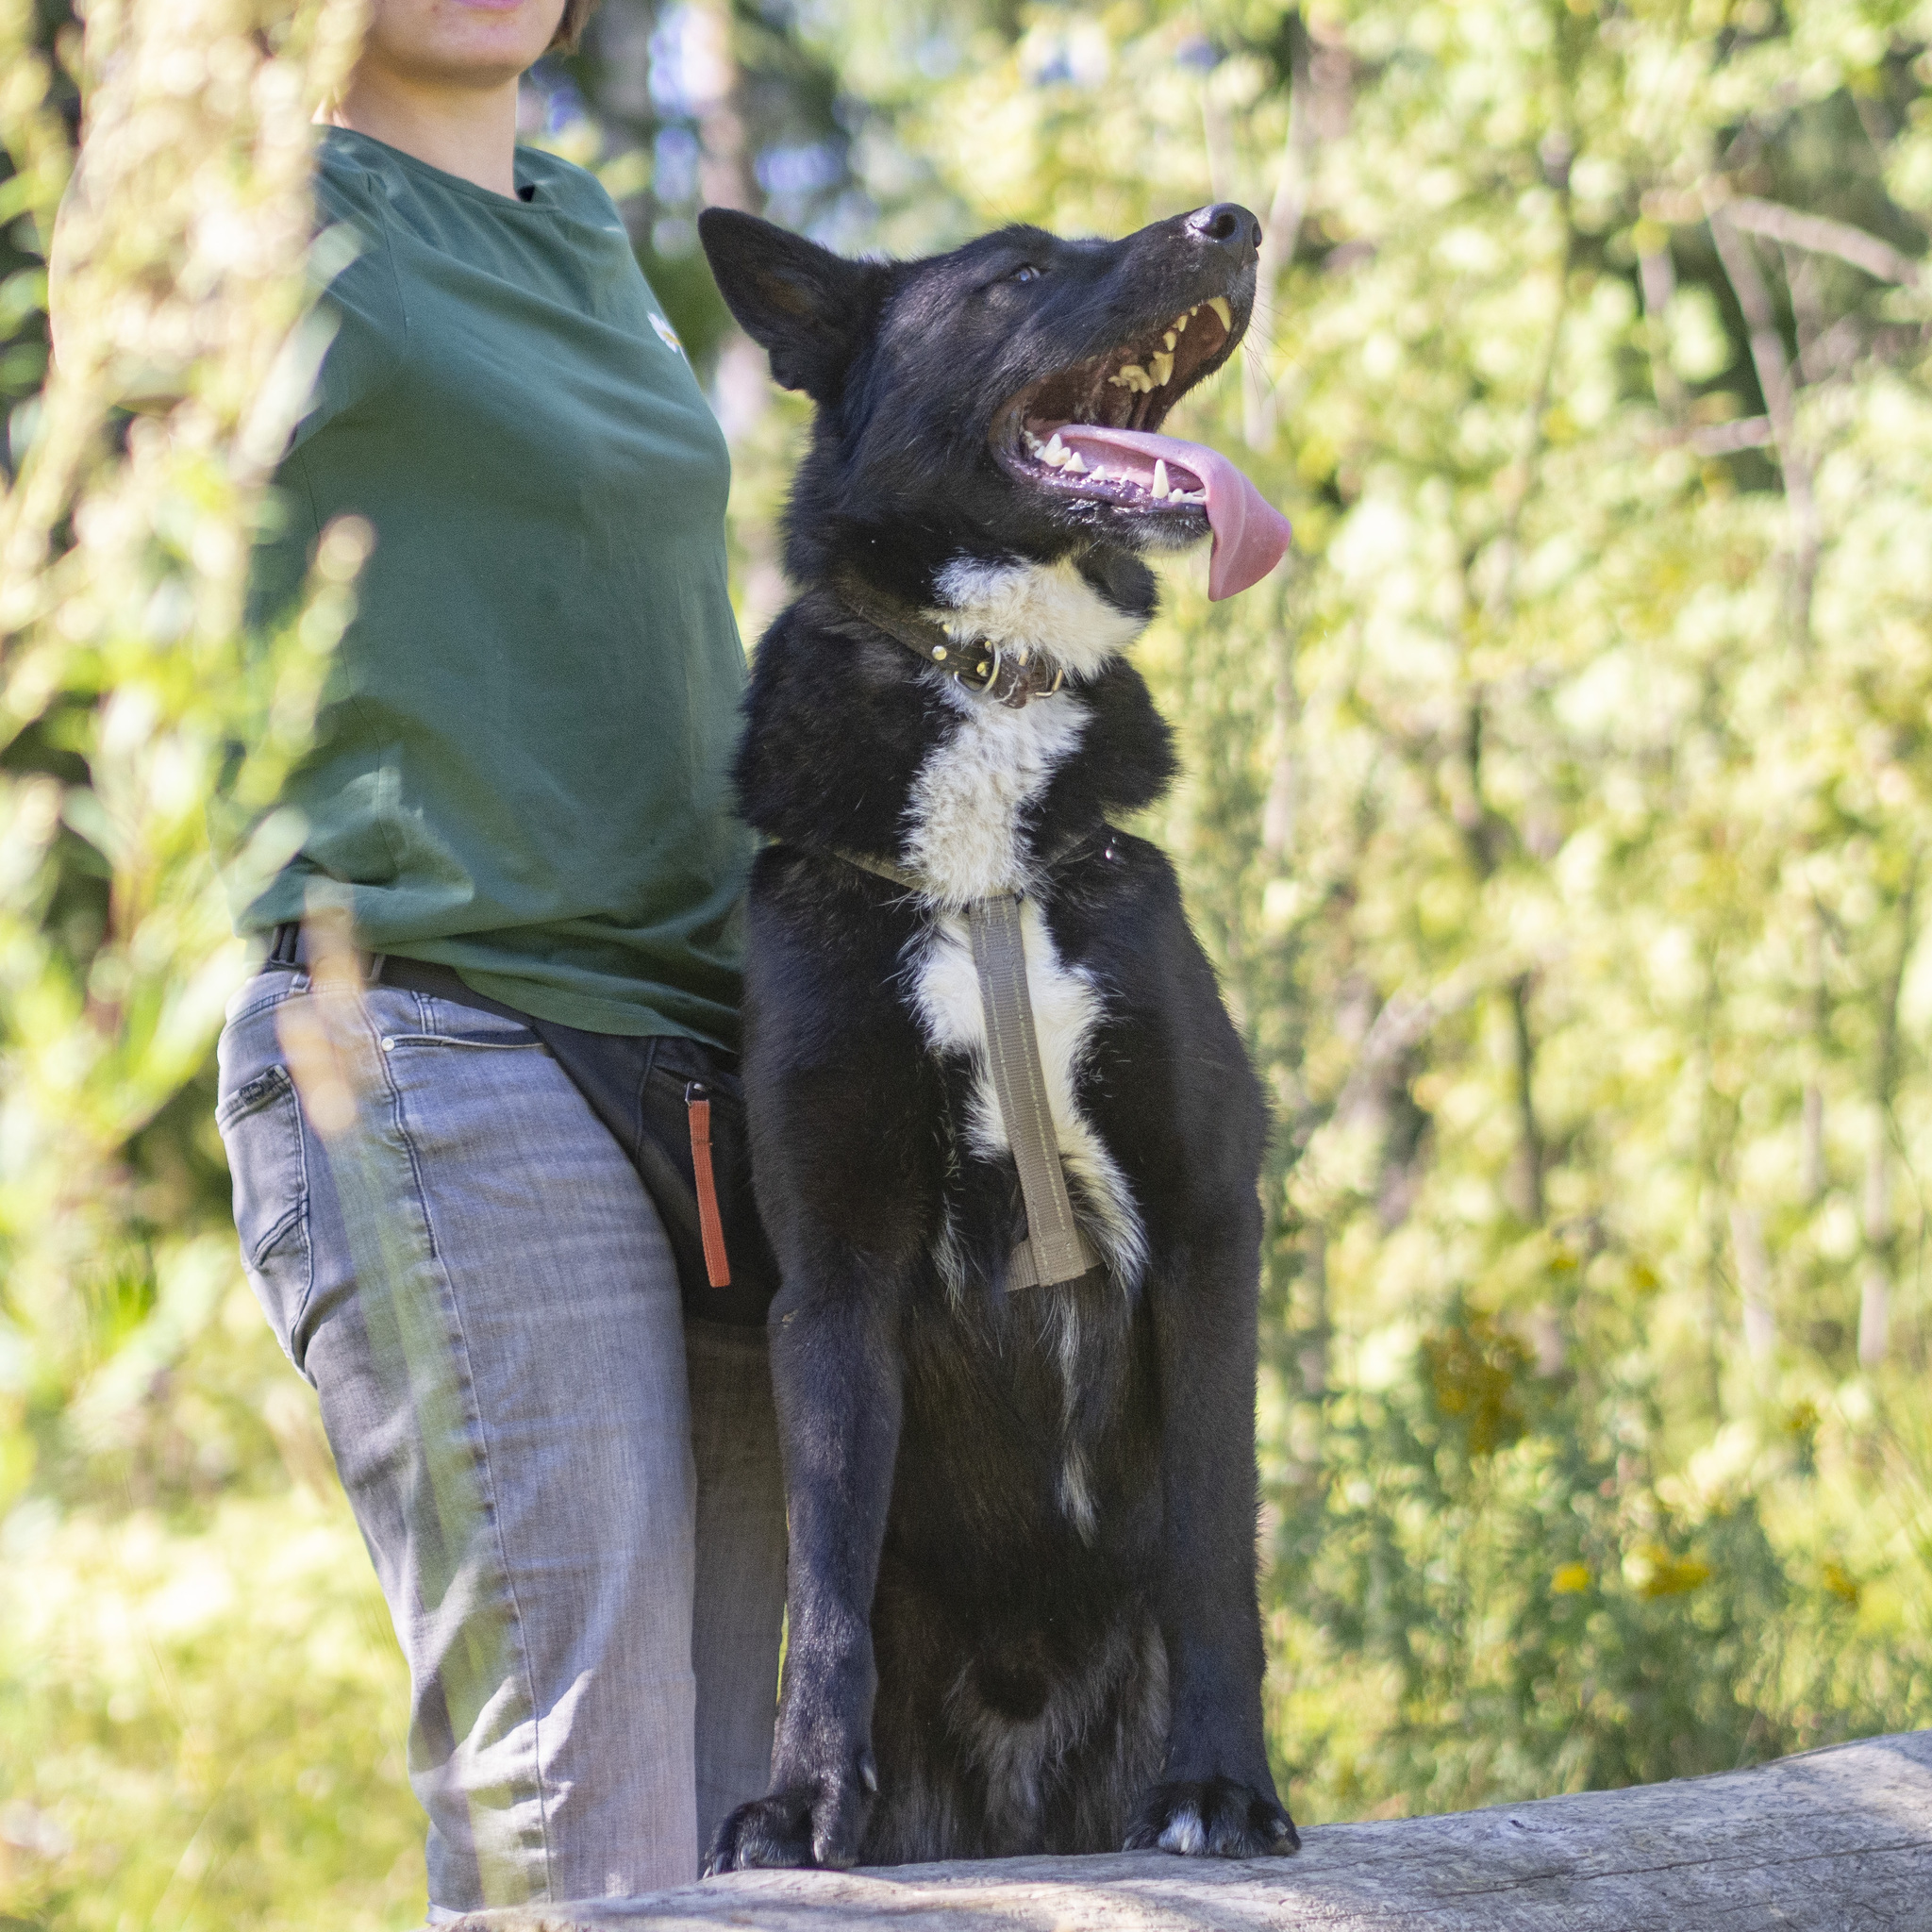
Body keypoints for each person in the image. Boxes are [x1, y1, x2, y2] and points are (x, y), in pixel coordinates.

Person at [207, 0, 788, 1915]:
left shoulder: (588, 228)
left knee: (745, 1833)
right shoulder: (240, 209)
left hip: (714, 1084)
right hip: (439, 1043)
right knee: (584, 1827)